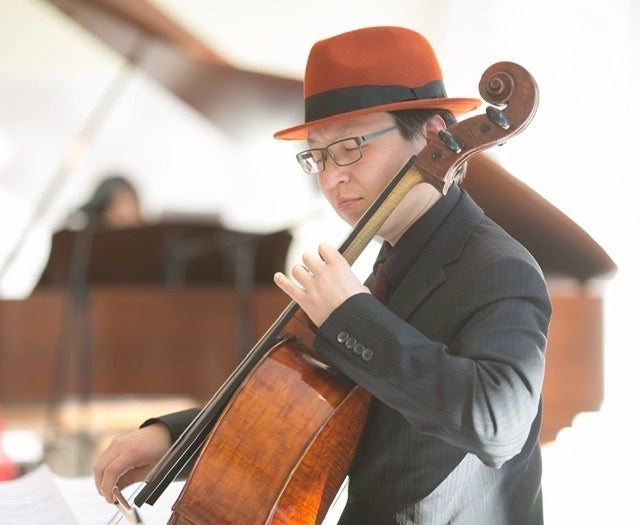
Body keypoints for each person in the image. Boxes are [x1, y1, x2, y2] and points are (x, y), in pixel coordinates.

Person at [93, 26, 551, 524]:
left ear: (433, 133)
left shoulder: (500, 269)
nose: (333, 177)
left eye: (351, 146)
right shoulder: (386, 267)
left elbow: (498, 423)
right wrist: (169, 439)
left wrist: (351, 316)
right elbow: (288, 403)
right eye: (318, 155)